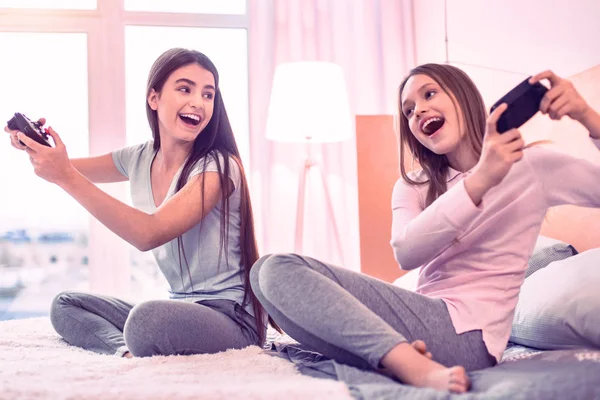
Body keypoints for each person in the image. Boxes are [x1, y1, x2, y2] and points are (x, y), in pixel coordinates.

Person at [249, 63, 600, 393]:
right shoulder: (412, 185)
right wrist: (479, 180)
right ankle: (395, 356)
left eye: (429, 94)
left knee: (281, 267)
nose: (417, 110)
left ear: (463, 97)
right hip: (425, 319)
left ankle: (412, 367)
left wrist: (587, 116)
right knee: (262, 273)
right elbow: (407, 251)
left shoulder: (531, 167)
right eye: (408, 109)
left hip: (469, 337)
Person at [4, 48, 273, 358]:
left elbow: (148, 233)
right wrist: (33, 146)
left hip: (231, 318)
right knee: (65, 304)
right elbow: (65, 167)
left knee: (145, 321)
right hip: (181, 308)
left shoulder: (218, 167)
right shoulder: (139, 157)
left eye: (208, 94)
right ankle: (126, 353)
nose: (199, 102)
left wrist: (64, 175)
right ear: (154, 98)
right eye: (185, 89)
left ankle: (137, 341)